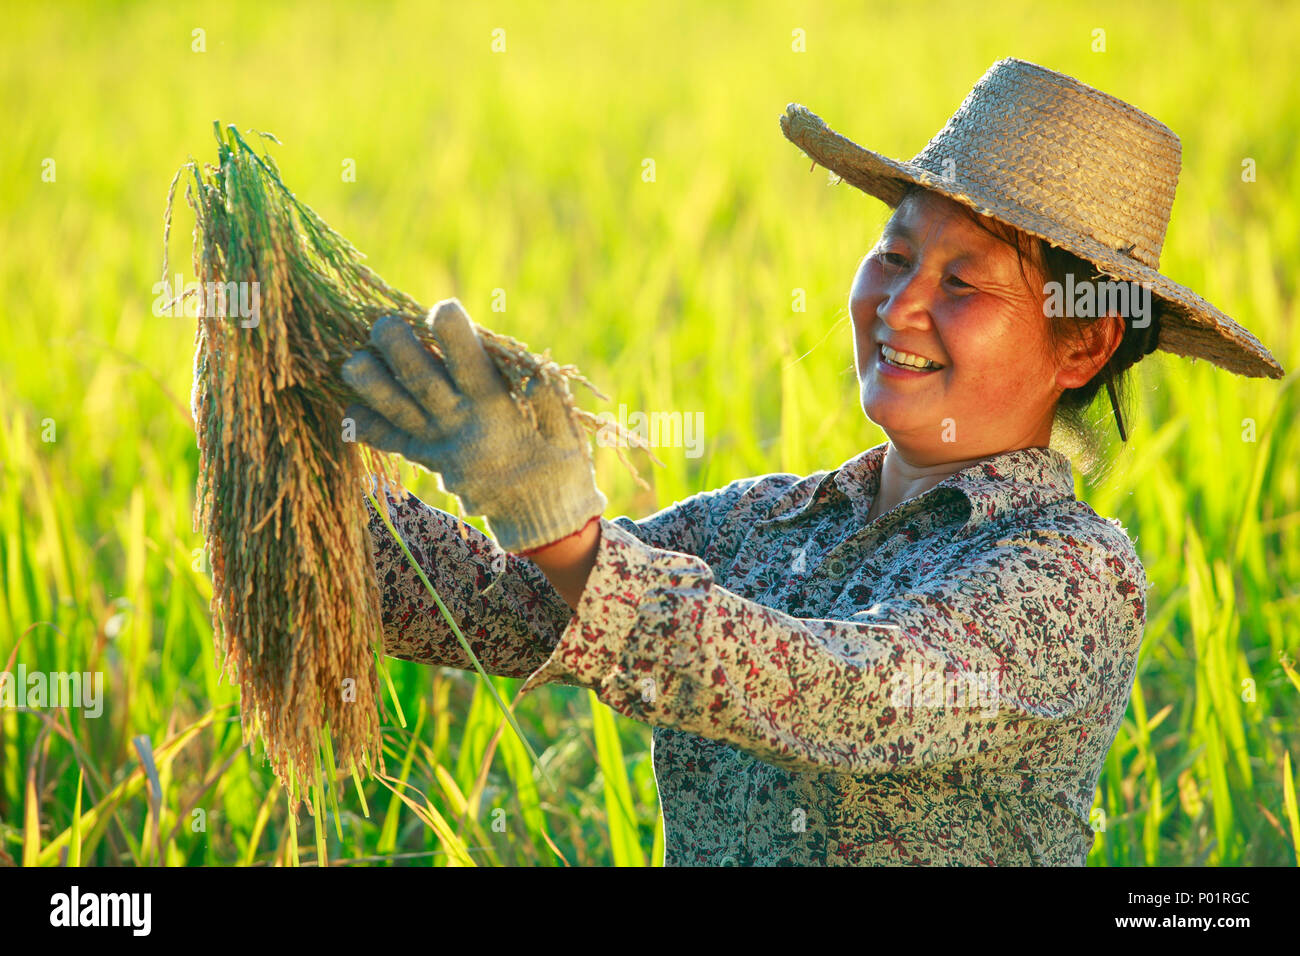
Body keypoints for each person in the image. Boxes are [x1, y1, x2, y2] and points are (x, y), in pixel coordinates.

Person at [339, 58, 1284, 865]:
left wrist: (556, 520)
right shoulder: (759, 522)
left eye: (962, 282)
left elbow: (844, 693)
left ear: (1081, 346)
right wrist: (310, 489)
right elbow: (510, 606)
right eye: (895, 253)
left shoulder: (1074, 574)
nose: (899, 305)